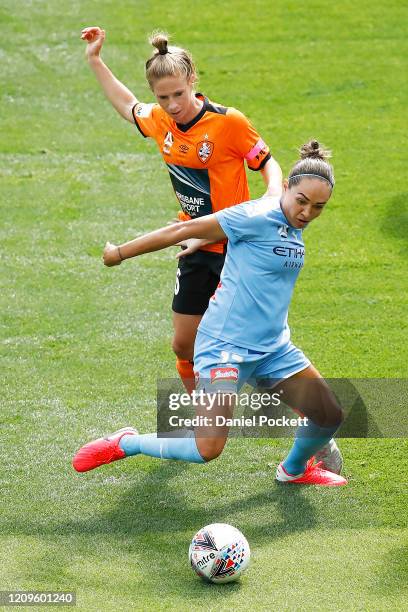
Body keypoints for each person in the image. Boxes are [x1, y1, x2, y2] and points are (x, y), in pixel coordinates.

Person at [73, 140, 347, 486]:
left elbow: (270, 178)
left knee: (329, 415)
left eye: (318, 208)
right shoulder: (256, 215)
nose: (306, 213)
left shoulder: (287, 218)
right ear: (289, 190)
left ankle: (293, 471)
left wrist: (213, 238)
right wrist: (120, 252)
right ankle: (126, 443)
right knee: (208, 447)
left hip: (273, 348)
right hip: (225, 348)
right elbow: (182, 229)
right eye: (302, 202)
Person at [81, 26, 282, 394]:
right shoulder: (160, 121)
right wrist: (95, 60)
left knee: (251, 352)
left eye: (178, 94)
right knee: (183, 345)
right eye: (162, 97)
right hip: (194, 246)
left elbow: (267, 160)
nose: (172, 105)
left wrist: (273, 194)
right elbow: (127, 105)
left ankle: (312, 419)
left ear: (192, 79)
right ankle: (202, 417)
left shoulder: (228, 123)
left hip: (236, 248)